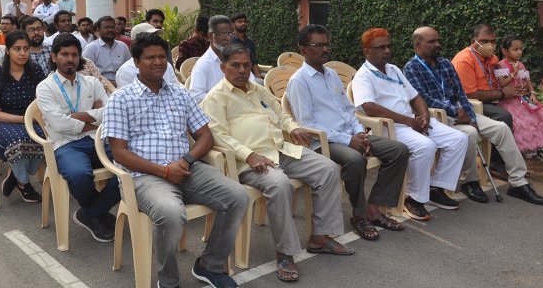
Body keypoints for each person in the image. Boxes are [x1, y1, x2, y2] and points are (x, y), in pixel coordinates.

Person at [106, 33, 246, 288]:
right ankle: (168, 281)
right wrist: (163, 171)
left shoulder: (179, 94)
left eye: (162, 57)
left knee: (237, 196)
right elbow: (119, 152)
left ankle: (210, 266)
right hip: (145, 177)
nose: (158, 62)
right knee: (170, 214)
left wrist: (187, 159)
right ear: (136, 62)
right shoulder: (120, 98)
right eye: (150, 58)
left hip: (186, 168)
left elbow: (205, 136)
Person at [202, 44, 351, 283]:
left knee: (329, 169)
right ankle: (285, 252)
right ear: (223, 67)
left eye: (246, 65)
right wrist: (249, 155)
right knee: (281, 184)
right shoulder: (216, 97)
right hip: (250, 161)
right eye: (235, 65)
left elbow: (280, 113)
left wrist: (294, 128)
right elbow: (218, 136)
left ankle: (320, 237)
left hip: (280, 149)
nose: (242, 70)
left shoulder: (258, 89)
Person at [285, 25, 409, 241]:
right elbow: (306, 124)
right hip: (323, 142)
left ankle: (373, 207)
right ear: (304, 50)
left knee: (399, 150)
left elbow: (348, 110)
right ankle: (359, 215)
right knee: (354, 160)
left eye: (326, 44)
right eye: (318, 45)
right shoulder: (299, 81)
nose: (325, 49)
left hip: (350, 134)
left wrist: (359, 133)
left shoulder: (332, 74)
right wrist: (348, 140)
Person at [407, 26, 543, 205]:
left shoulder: (444, 64)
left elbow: (461, 93)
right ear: (418, 45)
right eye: (431, 42)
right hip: (438, 116)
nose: (438, 44)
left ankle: (518, 182)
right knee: (470, 133)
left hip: (463, 113)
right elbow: (423, 99)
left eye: (438, 40)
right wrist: (456, 111)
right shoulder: (412, 68)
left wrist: (470, 116)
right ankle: (470, 181)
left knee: (502, 128)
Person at [350, 28, 468, 221]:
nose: (387, 51)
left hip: (412, 122)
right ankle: (413, 198)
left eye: (388, 46)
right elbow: (369, 107)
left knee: (459, 139)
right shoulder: (364, 76)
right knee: (426, 146)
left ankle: (435, 188)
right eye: (381, 47)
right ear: (367, 52)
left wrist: (424, 116)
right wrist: (409, 121)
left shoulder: (394, 69)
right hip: (389, 127)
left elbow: (415, 97)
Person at [34, 32, 119, 241]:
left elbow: (109, 114)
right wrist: (92, 116)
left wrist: (72, 117)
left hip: (97, 139)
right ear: (54, 57)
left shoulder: (91, 82)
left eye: (74, 54)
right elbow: (60, 125)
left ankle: (89, 213)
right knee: (80, 176)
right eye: (64, 54)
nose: (70, 59)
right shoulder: (45, 87)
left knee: (132, 165)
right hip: (66, 145)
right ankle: (97, 213)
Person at [0, 30, 46, 202]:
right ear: (8, 51)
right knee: (19, 139)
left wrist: (32, 119)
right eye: (17, 49)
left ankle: (17, 174)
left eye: (26, 48)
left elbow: (44, 100)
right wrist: (25, 120)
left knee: (47, 136)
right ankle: (24, 183)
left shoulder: (36, 71)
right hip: (3, 120)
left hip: (32, 118)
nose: (23, 53)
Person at [495, 35, 543, 153]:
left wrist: (532, 93)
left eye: (521, 49)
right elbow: (502, 83)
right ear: (504, 51)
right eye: (515, 49)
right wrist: (514, 72)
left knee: (541, 113)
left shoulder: (521, 64)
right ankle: (514, 150)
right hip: (508, 101)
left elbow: (527, 80)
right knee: (519, 122)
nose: (519, 52)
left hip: (521, 99)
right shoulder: (501, 65)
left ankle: (529, 149)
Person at [451, 24, 517, 127]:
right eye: (484, 41)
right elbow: (469, 95)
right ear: (473, 41)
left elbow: (502, 80)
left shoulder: (493, 58)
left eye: (493, 42)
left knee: (522, 108)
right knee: (505, 115)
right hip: (474, 104)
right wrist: (502, 94)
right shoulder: (464, 60)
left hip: (495, 98)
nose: (489, 45)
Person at [189, 15, 257, 103]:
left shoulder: (236, 58)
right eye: (221, 34)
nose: (227, 38)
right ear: (210, 36)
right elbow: (195, 96)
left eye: (229, 34)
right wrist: (227, 100)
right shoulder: (203, 64)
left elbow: (252, 82)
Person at [82, 16, 131, 82]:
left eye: (112, 27)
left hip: (122, 83)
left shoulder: (123, 46)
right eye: (106, 27)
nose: (110, 30)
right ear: (98, 30)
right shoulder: (91, 48)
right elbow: (85, 73)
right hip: (101, 85)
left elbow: (129, 67)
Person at [229, 13, 262, 79]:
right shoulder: (229, 41)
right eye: (239, 22)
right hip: (237, 75)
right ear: (232, 25)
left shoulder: (250, 41)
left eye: (245, 21)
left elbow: (254, 62)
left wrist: (258, 76)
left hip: (251, 75)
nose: (243, 23)